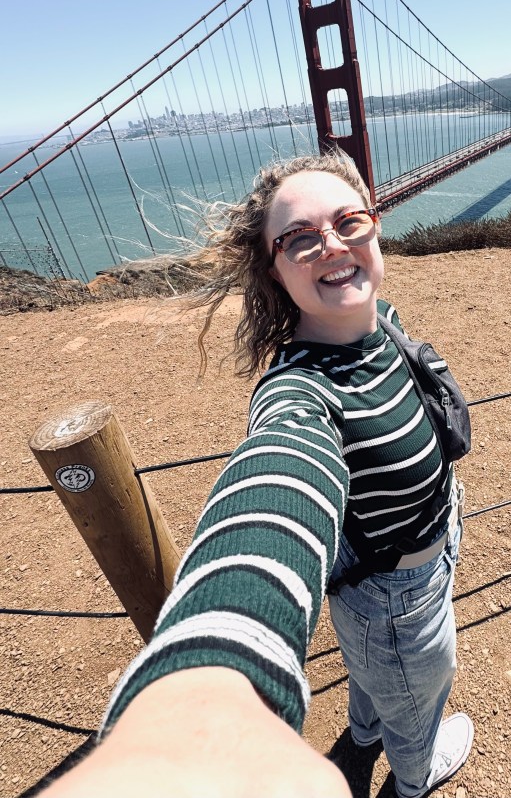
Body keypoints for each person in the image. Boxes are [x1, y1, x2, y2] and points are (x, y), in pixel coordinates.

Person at [41, 151, 473, 798]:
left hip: (411, 557)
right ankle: (414, 776)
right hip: (395, 596)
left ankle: (363, 731)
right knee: (418, 698)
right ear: (273, 268)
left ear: (373, 227)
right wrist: (213, 676)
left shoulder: (380, 320)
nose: (331, 242)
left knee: (374, 675)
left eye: (348, 221)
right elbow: (279, 482)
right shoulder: (299, 392)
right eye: (300, 237)